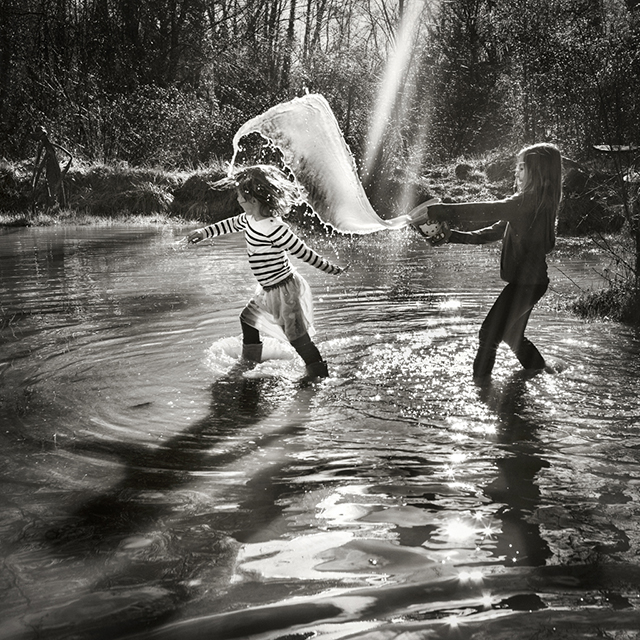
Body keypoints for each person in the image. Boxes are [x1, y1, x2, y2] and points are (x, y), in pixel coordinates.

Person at [410, 143, 562, 381]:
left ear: (537, 171)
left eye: (522, 167)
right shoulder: (531, 205)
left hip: (525, 285)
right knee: (512, 337)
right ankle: (543, 372)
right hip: (531, 284)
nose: (517, 172)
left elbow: (487, 210)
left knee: (488, 335)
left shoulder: (528, 203)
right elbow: (488, 233)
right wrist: (451, 236)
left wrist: (443, 210)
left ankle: (481, 391)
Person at [188, 164, 346, 383]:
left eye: (241, 197)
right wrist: (204, 232)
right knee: (247, 320)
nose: (239, 201)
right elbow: (230, 224)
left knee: (298, 338)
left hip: (284, 290)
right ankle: (249, 362)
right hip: (267, 289)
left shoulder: (276, 229)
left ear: (254, 201)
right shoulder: (250, 219)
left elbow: (304, 253)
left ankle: (319, 376)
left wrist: (331, 269)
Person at [31, 125, 73, 215]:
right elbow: (39, 159)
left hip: (54, 170)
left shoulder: (48, 145)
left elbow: (49, 155)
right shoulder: (42, 145)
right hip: (49, 170)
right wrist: (37, 169)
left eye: (42, 135)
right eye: (40, 136)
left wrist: (41, 166)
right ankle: (47, 209)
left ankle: (54, 210)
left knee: (53, 190)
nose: (41, 137)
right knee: (49, 189)